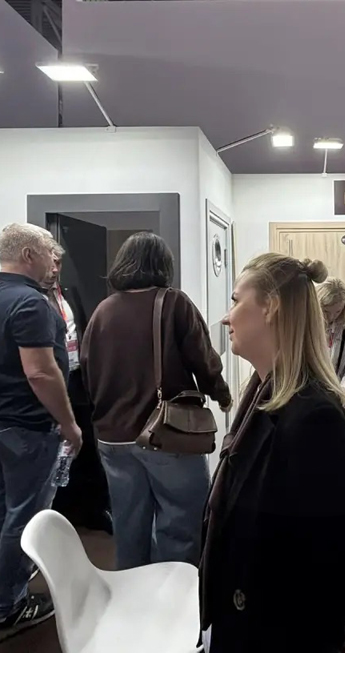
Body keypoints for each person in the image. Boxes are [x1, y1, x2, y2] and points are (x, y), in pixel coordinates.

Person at [201, 253, 345, 653]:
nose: (226, 317)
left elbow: (338, 537)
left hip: (281, 629)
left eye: (235, 301)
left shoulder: (314, 418)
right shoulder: (261, 393)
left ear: (271, 308)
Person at [0, 223, 82, 645]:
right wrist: (68, 423)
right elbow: (40, 372)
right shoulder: (30, 303)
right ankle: (8, 610)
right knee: (23, 515)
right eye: (49, 253)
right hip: (24, 428)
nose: (54, 263)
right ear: (29, 254)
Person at [80, 231, 231, 569]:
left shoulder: (103, 310)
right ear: (163, 264)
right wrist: (221, 394)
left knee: (129, 526)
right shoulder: (174, 303)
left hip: (113, 438)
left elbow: (87, 373)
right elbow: (203, 359)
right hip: (166, 434)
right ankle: (175, 595)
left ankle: (134, 593)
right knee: (180, 525)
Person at [45, 247, 111, 532]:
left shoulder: (69, 293)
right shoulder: (30, 299)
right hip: (49, 380)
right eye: (51, 262)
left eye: (59, 262)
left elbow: (83, 332)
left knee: (85, 446)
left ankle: (93, 511)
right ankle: (56, 513)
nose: (55, 268)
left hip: (77, 380)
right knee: (54, 449)